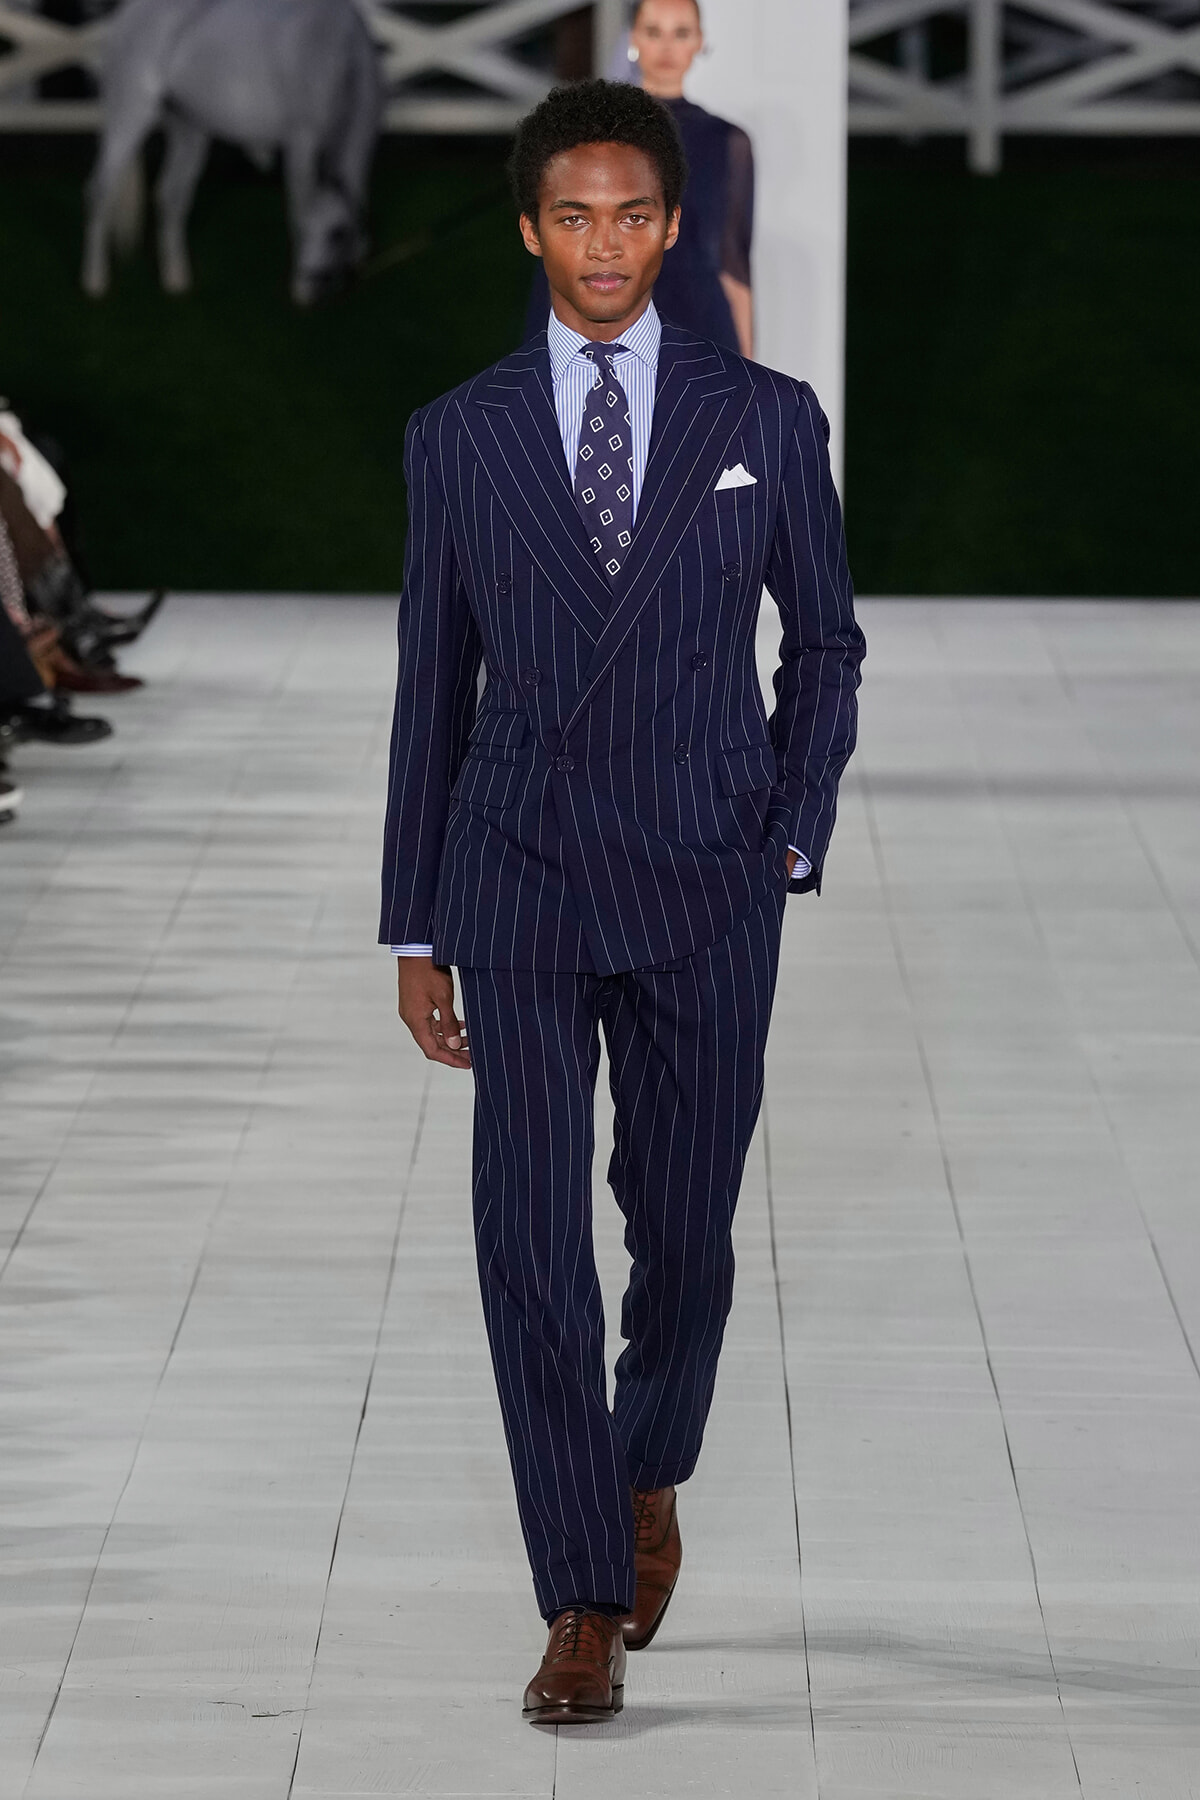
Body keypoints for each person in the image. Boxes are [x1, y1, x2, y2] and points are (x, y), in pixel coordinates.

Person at [380, 79, 864, 1726]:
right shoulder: (457, 434)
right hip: (512, 878)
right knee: (525, 1243)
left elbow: (829, 642)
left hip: (710, 880)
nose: (603, 244)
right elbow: (429, 690)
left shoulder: (770, 420)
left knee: (684, 1240)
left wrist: (791, 832)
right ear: (532, 230)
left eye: (631, 214)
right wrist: (412, 921)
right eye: (571, 216)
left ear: (674, 228)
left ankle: (647, 1464)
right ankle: (580, 1593)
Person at [525, 0, 754, 356]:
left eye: (680, 33)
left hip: (700, 320)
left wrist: (749, 370)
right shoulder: (591, 133)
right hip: (601, 301)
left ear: (699, 42)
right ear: (634, 39)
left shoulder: (727, 140)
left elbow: (734, 260)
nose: (666, 47)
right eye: (653, 31)